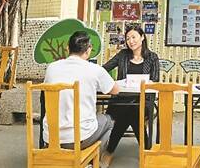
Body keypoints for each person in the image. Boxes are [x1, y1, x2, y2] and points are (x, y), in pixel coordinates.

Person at [43, 31, 120, 166]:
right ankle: (92, 161)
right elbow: (115, 90)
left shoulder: (52, 68)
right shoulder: (95, 69)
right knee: (109, 120)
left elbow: (46, 88)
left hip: (51, 137)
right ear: (88, 49)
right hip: (79, 138)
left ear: (68, 47)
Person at [102, 27, 160, 166]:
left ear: (142, 37)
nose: (130, 41)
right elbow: (103, 70)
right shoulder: (122, 55)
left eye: (133, 37)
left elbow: (155, 81)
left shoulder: (152, 57)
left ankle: (109, 151)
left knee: (131, 111)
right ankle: (146, 151)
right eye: (128, 38)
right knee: (131, 111)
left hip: (143, 102)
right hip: (120, 101)